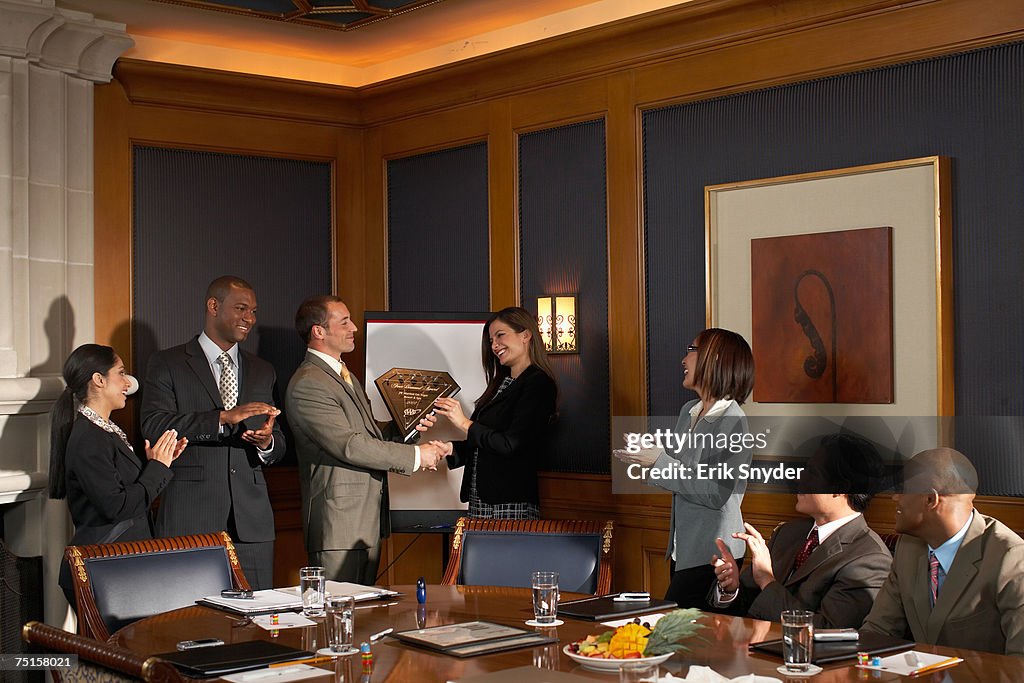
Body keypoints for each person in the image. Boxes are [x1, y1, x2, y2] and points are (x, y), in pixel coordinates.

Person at [285, 295, 444, 584]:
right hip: (339, 527)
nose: (354, 328)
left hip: (363, 522)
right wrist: (418, 457)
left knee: (362, 617)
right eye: (344, 322)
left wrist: (407, 427)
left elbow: (367, 432)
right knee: (337, 617)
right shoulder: (308, 383)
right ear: (318, 331)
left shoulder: (343, 374)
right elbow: (350, 445)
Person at [140, 276, 285, 589]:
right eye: (242, 308)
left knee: (256, 623)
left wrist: (267, 441)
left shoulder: (263, 370)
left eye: (254, 311)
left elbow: (280, 440)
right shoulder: (168, 363)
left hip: (252, 527)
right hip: (191, 519)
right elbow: (154, 424)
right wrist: (221, 418)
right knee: (191, 623)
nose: (250, 318)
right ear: (213, 306)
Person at [616, 328, 754, 607]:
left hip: (714, 553)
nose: (683, 359)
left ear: (713, 359)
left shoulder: (734, 421)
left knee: (684, 632)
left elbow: (716, 492)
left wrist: (659, 460)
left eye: (691, 350)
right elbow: (682, 472)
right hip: (684, 550)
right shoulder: (689, 411)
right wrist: (650, 457)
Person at [49, 344, 187, 605]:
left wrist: (159, 463)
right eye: (121, 373)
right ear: (98, 380)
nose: (128, 382)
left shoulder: (105, 431)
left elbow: (124, 493)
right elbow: (117, 506)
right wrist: (156, 469)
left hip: (121, 567)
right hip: (104, 571)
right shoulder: (89, 437)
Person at [709, 433, 892, 628]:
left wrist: (767, 580)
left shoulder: (870, 559)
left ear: (841, 488)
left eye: (812, 473)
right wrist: (731, 588)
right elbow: (749, 606)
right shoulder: (787, 533)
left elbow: (826, 631)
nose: (799, 478)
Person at [862, 447, 1024, 656]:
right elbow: (876, 632)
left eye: (903, 489)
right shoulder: (907, 548)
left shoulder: (1010, 558)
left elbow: (1020, 664)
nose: (895, 498)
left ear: (931, 499)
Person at [427, 306, 558, 519]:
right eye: (491, 341)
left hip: (510, 501)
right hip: (480, 500)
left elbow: (511, 444)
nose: (495, 346)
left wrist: (464, 423)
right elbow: (485, 443)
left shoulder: (539, 384)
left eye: (500, 336)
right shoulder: (500, 385)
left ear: (525, 335)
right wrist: (451, 449)